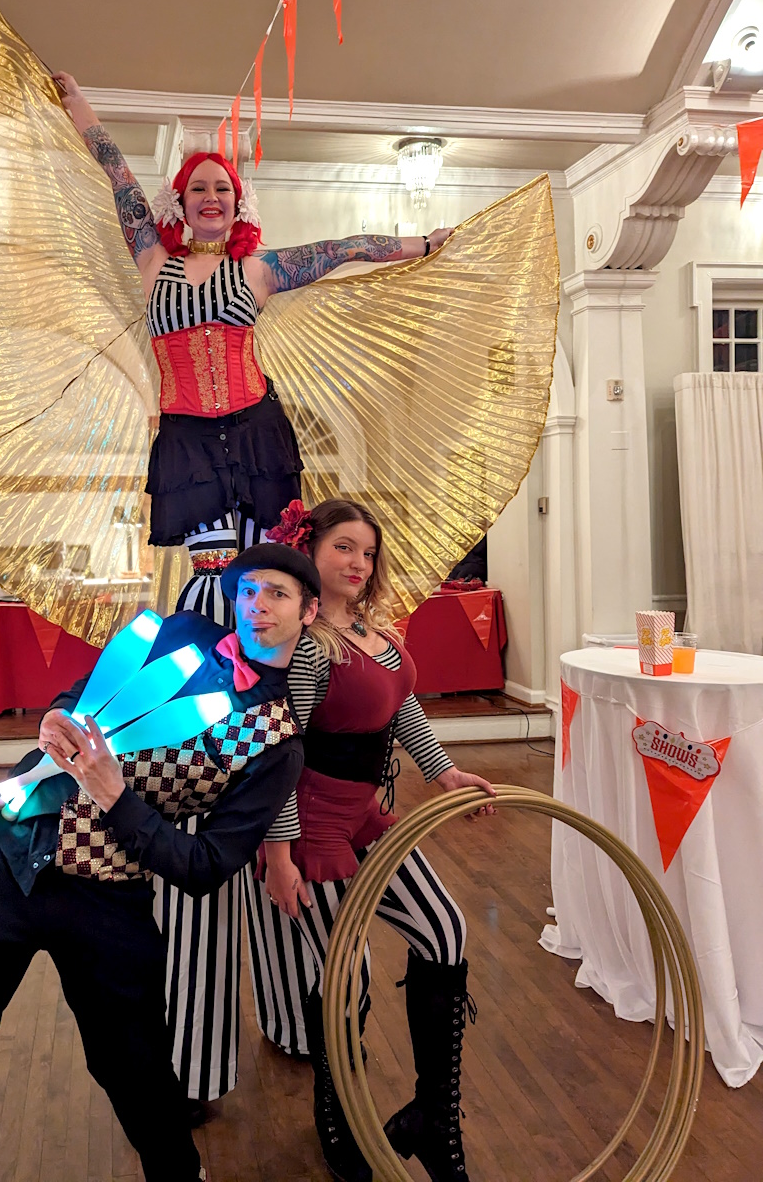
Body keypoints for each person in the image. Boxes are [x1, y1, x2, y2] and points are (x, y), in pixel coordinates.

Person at [0, 543, 321, 1182]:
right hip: (5, 860)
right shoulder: (178, 633)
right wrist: (58, 711)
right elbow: (86, 689)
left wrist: (117, 798)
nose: (257, 606)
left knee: (135, 1069)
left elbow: (204, 865)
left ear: (308, 611)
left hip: (106, 900)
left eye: (277, 594)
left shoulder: (277, 741)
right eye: (248, 590)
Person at [54, 72, 452, 623]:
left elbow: (343, 248)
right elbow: (119, 176)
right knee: (213, 570)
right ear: (179, 201)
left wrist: (423, 244)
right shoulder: (152, 261)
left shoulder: (258, 270)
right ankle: (213, 669)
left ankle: (270, 671)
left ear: (238, 204)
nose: (211, 197)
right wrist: (81, 107)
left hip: (257, 433)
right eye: (199, 188)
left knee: (265, 569)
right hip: (189, 439)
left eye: (223, 189)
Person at [249, 498, 496, 1182]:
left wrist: (443, 772)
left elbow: (401, 703)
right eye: (343, 548)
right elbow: (278, 752)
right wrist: (278, 856)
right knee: (346, 974)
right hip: (310, 826)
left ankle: (432, 1118)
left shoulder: (370, 631)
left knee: (445, 931)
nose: (358, 562)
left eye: (367, 552)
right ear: (309, 549)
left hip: (365, 817)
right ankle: (339, 1118)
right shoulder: (304, 645)